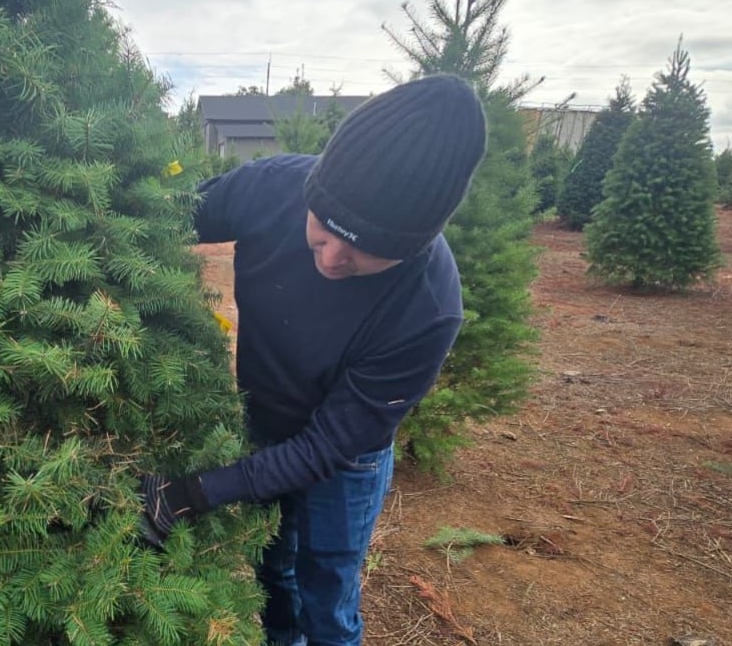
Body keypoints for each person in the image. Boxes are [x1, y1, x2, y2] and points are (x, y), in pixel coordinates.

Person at [141, 73, 488, 646]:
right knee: (274, 572)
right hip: (263, 418)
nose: (330, 259)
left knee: (326, 590)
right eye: (323, 233)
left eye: (360, 254)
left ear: (411, 248)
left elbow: (326, 448)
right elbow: (155, 216)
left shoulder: (427, 309)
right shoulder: (270, 186)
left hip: (344, 460)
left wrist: (193, 493)